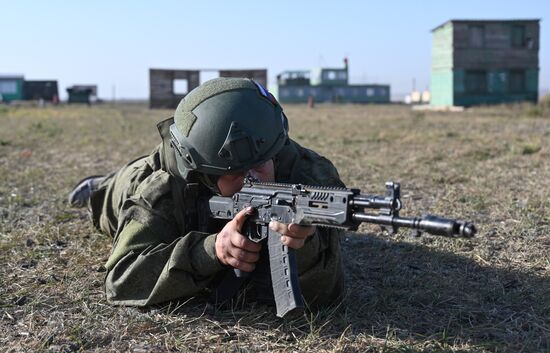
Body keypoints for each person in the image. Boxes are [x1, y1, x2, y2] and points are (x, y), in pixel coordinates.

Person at [69, 77, 345, 311]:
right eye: (236, 174)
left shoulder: (307, 173)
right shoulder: (162, 189)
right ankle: (99, 184)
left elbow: (329, 279)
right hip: (125, 186)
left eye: (259, 165)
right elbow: (121, 280)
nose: (253, 180)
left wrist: (305, 243)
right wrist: (210, 250)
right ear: (206, 176)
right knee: (111, 194)